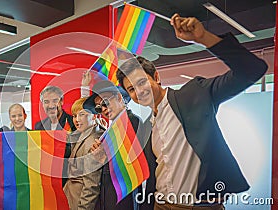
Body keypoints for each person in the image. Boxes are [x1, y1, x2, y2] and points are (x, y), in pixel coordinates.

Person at [115, 14, 268, 209]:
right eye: (131, 89)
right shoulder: (148, 126)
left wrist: (204, 38)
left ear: (156, 76)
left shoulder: (194, 94)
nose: (139, 91)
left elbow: (252, 69)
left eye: (142, 82)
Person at [83, 80, 145, 210]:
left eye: (105, 103)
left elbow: (131, 165)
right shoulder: (114, 127)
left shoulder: (132, 122)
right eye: (99, 108)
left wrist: (105, 154)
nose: (104, 110)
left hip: (125, 197)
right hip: (112, 195)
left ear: (118, 97)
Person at [63, 97, 105, 210]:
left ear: (95, 115)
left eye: (82, 114)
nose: (77, 119)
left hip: (80, 202)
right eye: (74, 116)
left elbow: (91, 186)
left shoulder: (93, 142)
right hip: (72, 197)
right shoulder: (82, 134)